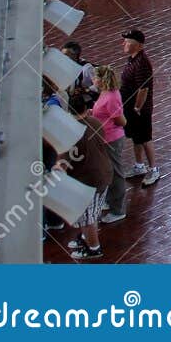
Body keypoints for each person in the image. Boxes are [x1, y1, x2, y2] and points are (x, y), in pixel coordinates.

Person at [56, 95, 114, 260]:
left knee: (88, 218)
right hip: (104, 174)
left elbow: (62, 165)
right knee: (91, 214)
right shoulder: (95, 122)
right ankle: (85, 238)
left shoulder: (70, 134)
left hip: (89, 182)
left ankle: (94, 249)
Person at [90, 65, 132, 223]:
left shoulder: (111, 97)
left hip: (112, 139)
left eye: (94, 77)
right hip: (104, 138)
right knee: (108, 171)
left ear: (101, 80)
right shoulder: (105, 93)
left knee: (116, 173)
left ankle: (118, 209)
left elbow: (120, 120)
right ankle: (110, 200)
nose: (92, 80)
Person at [120, 29, 159, 187]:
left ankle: (153, 169)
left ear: (139, 46)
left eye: (128, 42)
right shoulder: (133, 59)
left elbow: (143, 89)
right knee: (136, 137)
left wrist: (137, 107)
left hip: (139, 109)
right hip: (130, 106)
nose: (124, 44)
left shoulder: (142, 63)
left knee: (144, 139)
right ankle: (139, 166)